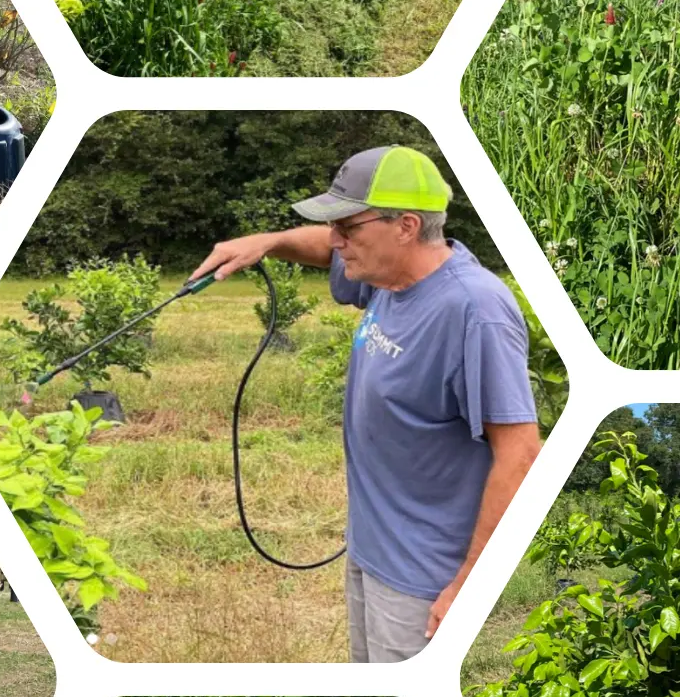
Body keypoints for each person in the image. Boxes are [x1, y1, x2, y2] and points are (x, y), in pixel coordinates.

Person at [196, 146, 541, 662]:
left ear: (404, 226)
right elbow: (320, 247)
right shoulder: (386, 278)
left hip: (423, 576)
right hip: (371, 546)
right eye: (334, 226)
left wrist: (468, 582)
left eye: (348, 228)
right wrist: (269, 243)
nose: (336, 242)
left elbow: (521, 454)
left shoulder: (473, 311)